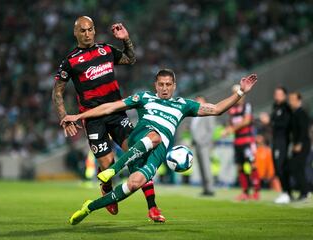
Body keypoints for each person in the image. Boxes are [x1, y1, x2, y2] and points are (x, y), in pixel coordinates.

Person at [61, 69, 257, 225]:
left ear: (174, 86)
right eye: (161, 84)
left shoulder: (183, 105)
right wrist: (79, 116)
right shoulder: (144, 97)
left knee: (134, 184)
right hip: (142, 136)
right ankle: (112, 170)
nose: (164, 88)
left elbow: (217, 109)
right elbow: (110, 107)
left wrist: (240, 92)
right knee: (155, 136)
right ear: (155, 85)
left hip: (158, 151)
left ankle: (89, 207)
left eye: (168, 85)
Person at [52, 16, 164, 221]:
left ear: (94, 31)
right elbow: (57, 91)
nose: (87, 34)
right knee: (108, 164)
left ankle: (153, 207)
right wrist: (64, 116)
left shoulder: (106, 50)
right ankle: (106, 187)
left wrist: (126, 39)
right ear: (75, 33)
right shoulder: (70, 61)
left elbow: (130, 59)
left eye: (90, 30)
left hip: (116, 113)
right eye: (82, 31)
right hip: (93, 119)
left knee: (136, 153)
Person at [224, 85, 260, 201]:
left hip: (248, 141)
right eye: (234, 93)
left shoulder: (246, 106)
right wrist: (227, 130)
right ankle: (245, 192)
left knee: (252, 164)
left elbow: (247, 121)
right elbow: (230, 124)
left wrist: (232, 129)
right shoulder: (231, 109)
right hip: (237, 141)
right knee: (240, 167)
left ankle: (256, 191)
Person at [190, 96, 215, 196]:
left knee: (206, 166)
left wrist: (204, 142)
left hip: (204, 144)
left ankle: (210, 188)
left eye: (199, 100)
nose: (197, 101)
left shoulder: (208, 113)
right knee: (201, 167)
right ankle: (205, 188)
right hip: (197, 144)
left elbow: (211, 130)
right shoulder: (196, 113)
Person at [271, 87, 292, 204]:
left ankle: (286, 192)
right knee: (277, 166)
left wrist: (271, 121)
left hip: (283, 140)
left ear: (285, 95)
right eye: (276, 93)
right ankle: (286, 192)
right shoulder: (275, 106)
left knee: (280, 166)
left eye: (279, 93)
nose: (277, 95)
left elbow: (286, 124)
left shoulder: (286, 108)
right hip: (276, 140)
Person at [288, 92, 310, 201]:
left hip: (302, 145)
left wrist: (299, 144)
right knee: (295, 168)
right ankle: (303, 192)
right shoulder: (295, 113)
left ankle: (305, 192)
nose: (290, 101)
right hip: (297, 144)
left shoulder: (302, 113)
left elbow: (304, 131)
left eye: (293, 99)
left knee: (298, 168)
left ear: (299, 100)